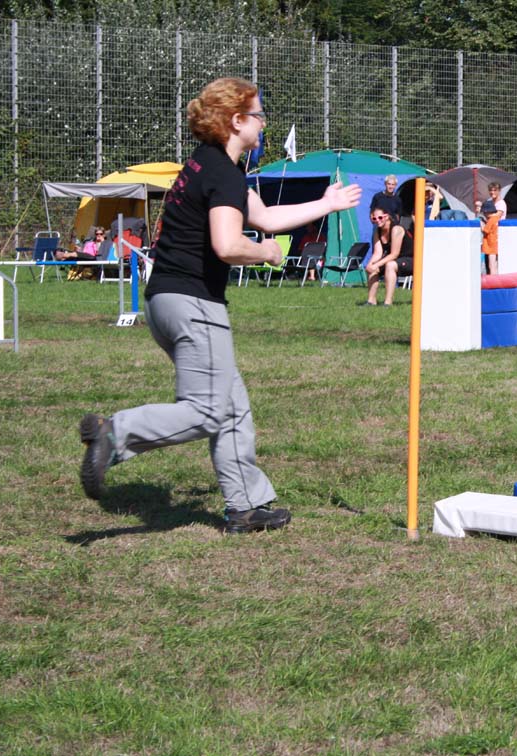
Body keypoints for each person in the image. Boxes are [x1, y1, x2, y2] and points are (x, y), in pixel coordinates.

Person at [77, 77, 362, 534]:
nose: (263, 123)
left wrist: (325, 204)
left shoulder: (206, 165)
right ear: (236, 121)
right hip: (194, 304)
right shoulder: (224, 173)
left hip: (164, 302)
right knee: (208, 410)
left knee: (232, 407)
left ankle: (246, 506)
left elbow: (266, 217)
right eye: (259, 115)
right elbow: (229, 244)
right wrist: (267, 253)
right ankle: (115, 434)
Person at [365, 207, 411, 305]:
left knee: (390, 265)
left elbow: (394, 254)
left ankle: (388, 301)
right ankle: (371, 300)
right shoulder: (377, 231)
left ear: (386, 217)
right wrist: (370, 264)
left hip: (411, 259)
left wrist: (377, 265)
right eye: (374, 219)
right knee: (372, 268)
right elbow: (377, 253)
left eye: (380, 218)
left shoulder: (396, 229)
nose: (377, 221)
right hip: (393, 259)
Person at [479, 198, 502, 275]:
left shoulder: (491, 220)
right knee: (495, 264)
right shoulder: (497, 219)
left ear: (487, 212)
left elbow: (485, 230)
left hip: (490, 245)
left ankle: (493, 281)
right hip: (495, 244)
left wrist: (481, 224)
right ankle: (495, 278)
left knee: (491, 265)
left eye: (484, 212)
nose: (484, 214)